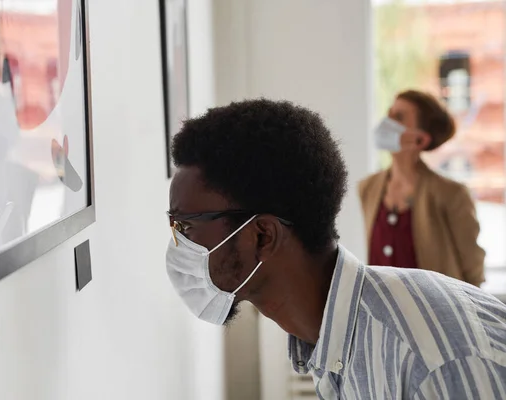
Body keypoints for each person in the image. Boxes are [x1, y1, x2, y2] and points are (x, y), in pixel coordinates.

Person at [165, 99, 506, 399]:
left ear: (262, 236)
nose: (178, 244)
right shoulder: (334, 343)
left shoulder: (431, 360)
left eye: (186, 225)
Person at [360, 90, 485, 286]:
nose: (387, 120)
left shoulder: (451, 194)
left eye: (398, 117)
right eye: (389, 112)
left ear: (420, 140)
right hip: (382, 314)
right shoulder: (368, 188)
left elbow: (473, 269)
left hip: (437, 314)